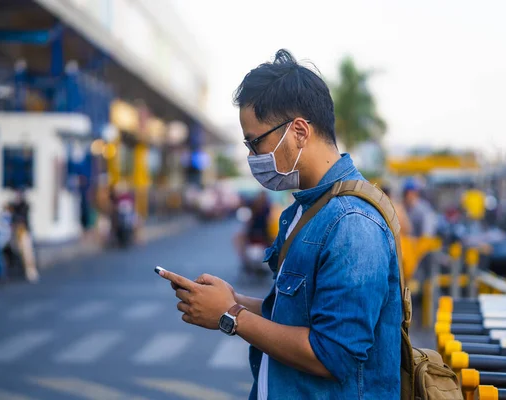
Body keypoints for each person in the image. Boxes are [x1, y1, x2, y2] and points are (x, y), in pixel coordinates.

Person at [157, 49, 401, 399]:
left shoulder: (352, 222)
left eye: (256, 142)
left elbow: (332, 355)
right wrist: (229, 298)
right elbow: (295, 314)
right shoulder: (307, 208)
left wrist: (231, 315)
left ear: (299, 131)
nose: (252, 157)